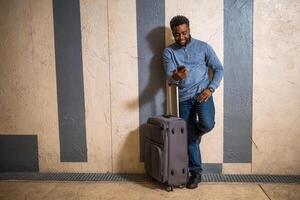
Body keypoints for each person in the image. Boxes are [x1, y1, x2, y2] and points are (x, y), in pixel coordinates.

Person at [163, 15, 223, 189]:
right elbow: (169, 76)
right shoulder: (169, 52)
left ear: (189, 29)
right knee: (188, 138)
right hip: (184, 98)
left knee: (207, 124)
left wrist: (210, 89)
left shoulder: (203, 47)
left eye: (184, 33)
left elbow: (219, 69)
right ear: (173, 33)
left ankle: (195, 133)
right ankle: (196, 173)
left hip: (203, 95)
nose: (181, 37)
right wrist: (176, 76)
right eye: (177, 34)